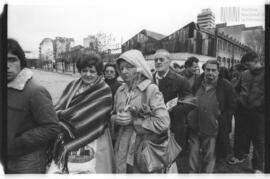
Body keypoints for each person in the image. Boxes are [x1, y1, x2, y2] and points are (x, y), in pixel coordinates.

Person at [112, 49, 175, 173]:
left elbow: (163, 123)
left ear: (138, 67)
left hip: (142, 148)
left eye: (128, 67)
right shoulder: (120, 90)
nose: (124, 71)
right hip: (121, 147)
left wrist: (134, 121)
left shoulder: (150, 90)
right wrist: (115, 119)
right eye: (121, 68)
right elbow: (112, 114)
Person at [50, 52, 114, 173]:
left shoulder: (104, 90)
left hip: (92, 135)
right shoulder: (73, 85)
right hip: (68, 133)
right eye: (84, 70)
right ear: (80, 70)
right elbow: (61, 106)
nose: (88, 74)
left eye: (92, 71)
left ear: (98, 72)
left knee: (87, 170)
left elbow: (98, 117)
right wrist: (61, 118)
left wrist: (67, 119)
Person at [7, 39, 60, 173]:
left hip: (26, 161)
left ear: (21, 63)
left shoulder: (35, 91)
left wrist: (17, 142)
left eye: (12, 60)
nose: (6, 65)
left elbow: (52, 127)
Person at [188, 60, 237, 173]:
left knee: (209, 156)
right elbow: (191, 98)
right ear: (204, 70)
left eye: (213, 70)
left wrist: (222, 119)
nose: (210, 72)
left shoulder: (226, 85)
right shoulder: (197, 82)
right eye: (208, 69)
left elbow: (233, 105)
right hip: (195, 125)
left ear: (218, 72)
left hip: (212, 128)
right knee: (193, 155)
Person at [153, 49, 196, 173]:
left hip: (174, 126)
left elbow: (190, 101)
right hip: (154, 126)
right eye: (156, 60)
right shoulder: (149, 79)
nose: (158, 62)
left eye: (161, 59)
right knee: (155, 157)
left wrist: (175, 109)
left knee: (173, 160)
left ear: (169, 61)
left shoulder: (180, 80)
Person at [232, 52, 264, 173]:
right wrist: (238, 101)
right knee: (240, 135)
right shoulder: (244, 74)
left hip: (260, 113)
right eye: (245, 65)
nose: (247, 67)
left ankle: (258, 167)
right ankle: (240, 156)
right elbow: (236, 89)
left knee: (259, 140)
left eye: (248, 64)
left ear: (257, 61)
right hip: (243, 111)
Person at [227, 64, 250, 165]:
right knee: (246, 132)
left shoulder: (239, 79)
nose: (233, 73)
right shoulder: (249, 78)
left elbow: (234, 91)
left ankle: (239, 155)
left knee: (240, 132)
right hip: (248, 109)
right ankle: (245, 152)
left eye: (235, 71)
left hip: (241, 108)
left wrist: (237, 101)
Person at [103, 62, 122, 146]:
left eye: (111, 72)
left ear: (116, 73)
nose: (109, 74)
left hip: (112, 118)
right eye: (107, 72)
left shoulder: (120, 87)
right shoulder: (100, 85)